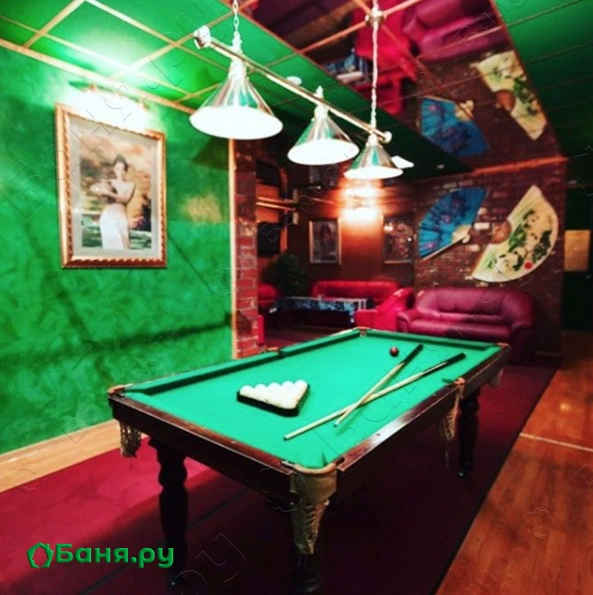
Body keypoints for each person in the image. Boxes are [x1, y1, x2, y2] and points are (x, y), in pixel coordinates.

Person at [95, 155, 135, 250]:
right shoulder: (110, 182)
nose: (121, 172)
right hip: (107, 218)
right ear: (114, 169)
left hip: (121, 218)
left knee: (124, 248)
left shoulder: (130, 185)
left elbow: (126, 199)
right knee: (109, 250)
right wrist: (100, 192)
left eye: (123, 169)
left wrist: (109, 193)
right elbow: (94, 188)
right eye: (118, 169)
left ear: (126, 170)